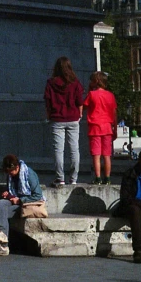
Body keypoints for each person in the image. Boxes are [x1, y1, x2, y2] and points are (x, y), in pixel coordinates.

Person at [0, 154, 45, 256]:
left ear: (17, 167)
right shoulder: (10, 176)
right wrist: (8, 195)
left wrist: (19, 200)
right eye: (7, 172)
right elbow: (13, 193)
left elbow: (38, 195)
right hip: (16, 203)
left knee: (3, 212)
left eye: (11, 171)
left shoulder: (29, 174)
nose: (10, 174)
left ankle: (3, 245)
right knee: (2, 202)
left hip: (27, 205)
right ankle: (3, 236)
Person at [44, 56, 84, 186]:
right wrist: (80, 114)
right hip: (73, 118)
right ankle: (73, 179)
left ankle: (60, 178)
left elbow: (48, 102)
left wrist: (49, 115)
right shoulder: (76, 83)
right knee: (74, 149)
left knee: (58, 150)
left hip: (57, 119)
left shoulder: (51, 83)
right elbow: (79, 101)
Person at [83, 71, 117, 185]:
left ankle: (98, 178)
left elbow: (85, 106)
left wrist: (89, 90)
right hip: (107, 127)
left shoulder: (92, 94)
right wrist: (115, 129)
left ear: (96, 81)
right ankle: (107, 178)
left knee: (96, 155)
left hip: (94, 128)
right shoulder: (110, 95)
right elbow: (114, 113)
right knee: (107, 155)